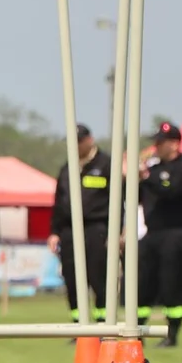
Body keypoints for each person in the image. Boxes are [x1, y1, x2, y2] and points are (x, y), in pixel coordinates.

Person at [137, 121, 182, 347]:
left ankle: (171, 334)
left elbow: (170, 192)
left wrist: (147, 178)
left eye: (161, 143)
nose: (156, 146)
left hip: (175, 234)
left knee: (172, 285)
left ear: (174, 144)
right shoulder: (152, 170)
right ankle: (137, 331)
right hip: (152, 233)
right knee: (142, 284)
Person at [48, 124, 116, 324]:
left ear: (89, 140)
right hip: (69, 230)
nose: (75, 146)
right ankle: (79, 328)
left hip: (97, 229)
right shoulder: (67, 168)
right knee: (73, 279)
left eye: (78, 142)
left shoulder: (105, 165)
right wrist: (54, 232)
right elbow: (58, 203)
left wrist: (117, 231)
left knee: (100, 278)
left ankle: (104, 326)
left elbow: (117, 201)